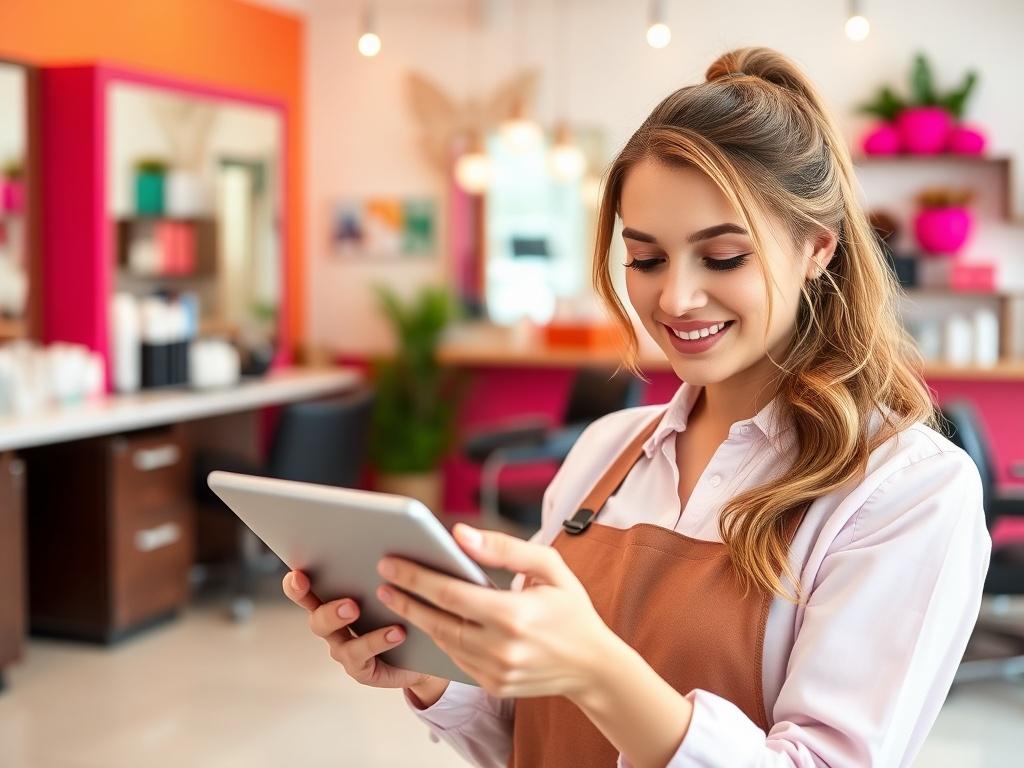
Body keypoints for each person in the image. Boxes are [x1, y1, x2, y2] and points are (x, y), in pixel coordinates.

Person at [283, 47, 991, 767]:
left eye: (722, 258)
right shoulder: (603, 454)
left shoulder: (905, 490)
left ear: (817, 248)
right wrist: (436, 673)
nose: (676, 299)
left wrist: (599, 672)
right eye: (646, 258)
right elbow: (529, 739)